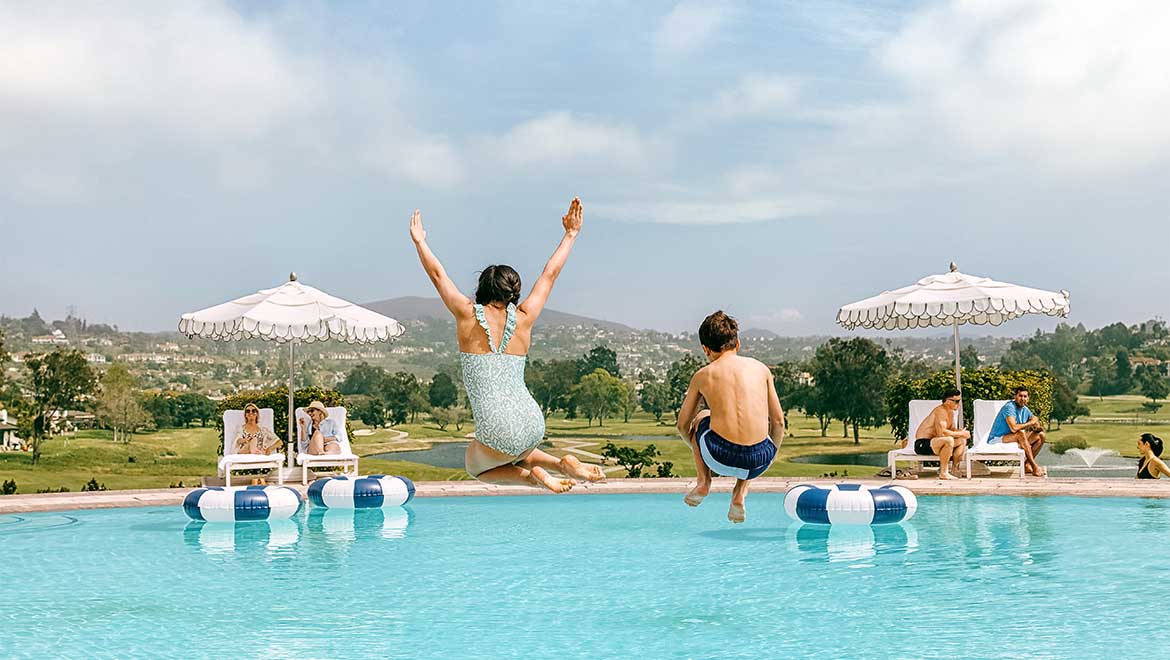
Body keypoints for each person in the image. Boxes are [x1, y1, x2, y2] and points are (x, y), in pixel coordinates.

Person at [409, 198, 605, 492]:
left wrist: (420, 242)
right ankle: (560, 465)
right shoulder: (525, 317)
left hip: (497, 425)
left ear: (481, 289)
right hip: (531, 420)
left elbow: (438, 275)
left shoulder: (466, 313)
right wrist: (570, 234)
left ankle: (533, 477)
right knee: (518, 450)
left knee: (475, 466)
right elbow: (550, 275)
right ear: (513, 291)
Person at [677, 311, 785, 523]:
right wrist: (770, 454)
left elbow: (682, 426)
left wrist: (698, 450)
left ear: (706, 349)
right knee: (757, 431)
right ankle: (739, 493)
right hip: (759, 462)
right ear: (738, 343)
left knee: (701, 417)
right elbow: (779, 422)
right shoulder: (762, 369)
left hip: (718, 458)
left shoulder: (703, 375)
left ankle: (703, 481)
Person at [911, 389, 970, 480]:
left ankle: (954, 469)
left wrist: (961, 433)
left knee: (962, 440)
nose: (959, 403)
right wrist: (960, 433)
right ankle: (943, 473)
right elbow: (941, 433)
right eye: (957, 401)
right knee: (949, 440)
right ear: (948, 401)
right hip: (922, 444)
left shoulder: (950, 412)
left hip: (935, 443)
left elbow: (952, 430)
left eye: (959, 401)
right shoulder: (940, 411)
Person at [987, 386, 1046, 477]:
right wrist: (1030, 423)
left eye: (1025, 396)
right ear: (1015, 397)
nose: (1022, 399)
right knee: (1020, 433)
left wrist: (1036, 424)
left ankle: (1027, 465)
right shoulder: (1009, 407)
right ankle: (1034, 467)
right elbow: (1013, 428)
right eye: (1020, 396)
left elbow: (1034, 419)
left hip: (1012, 437)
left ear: (1028, 398)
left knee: (1041, 435)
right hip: (997, 438)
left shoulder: (1025, 409)